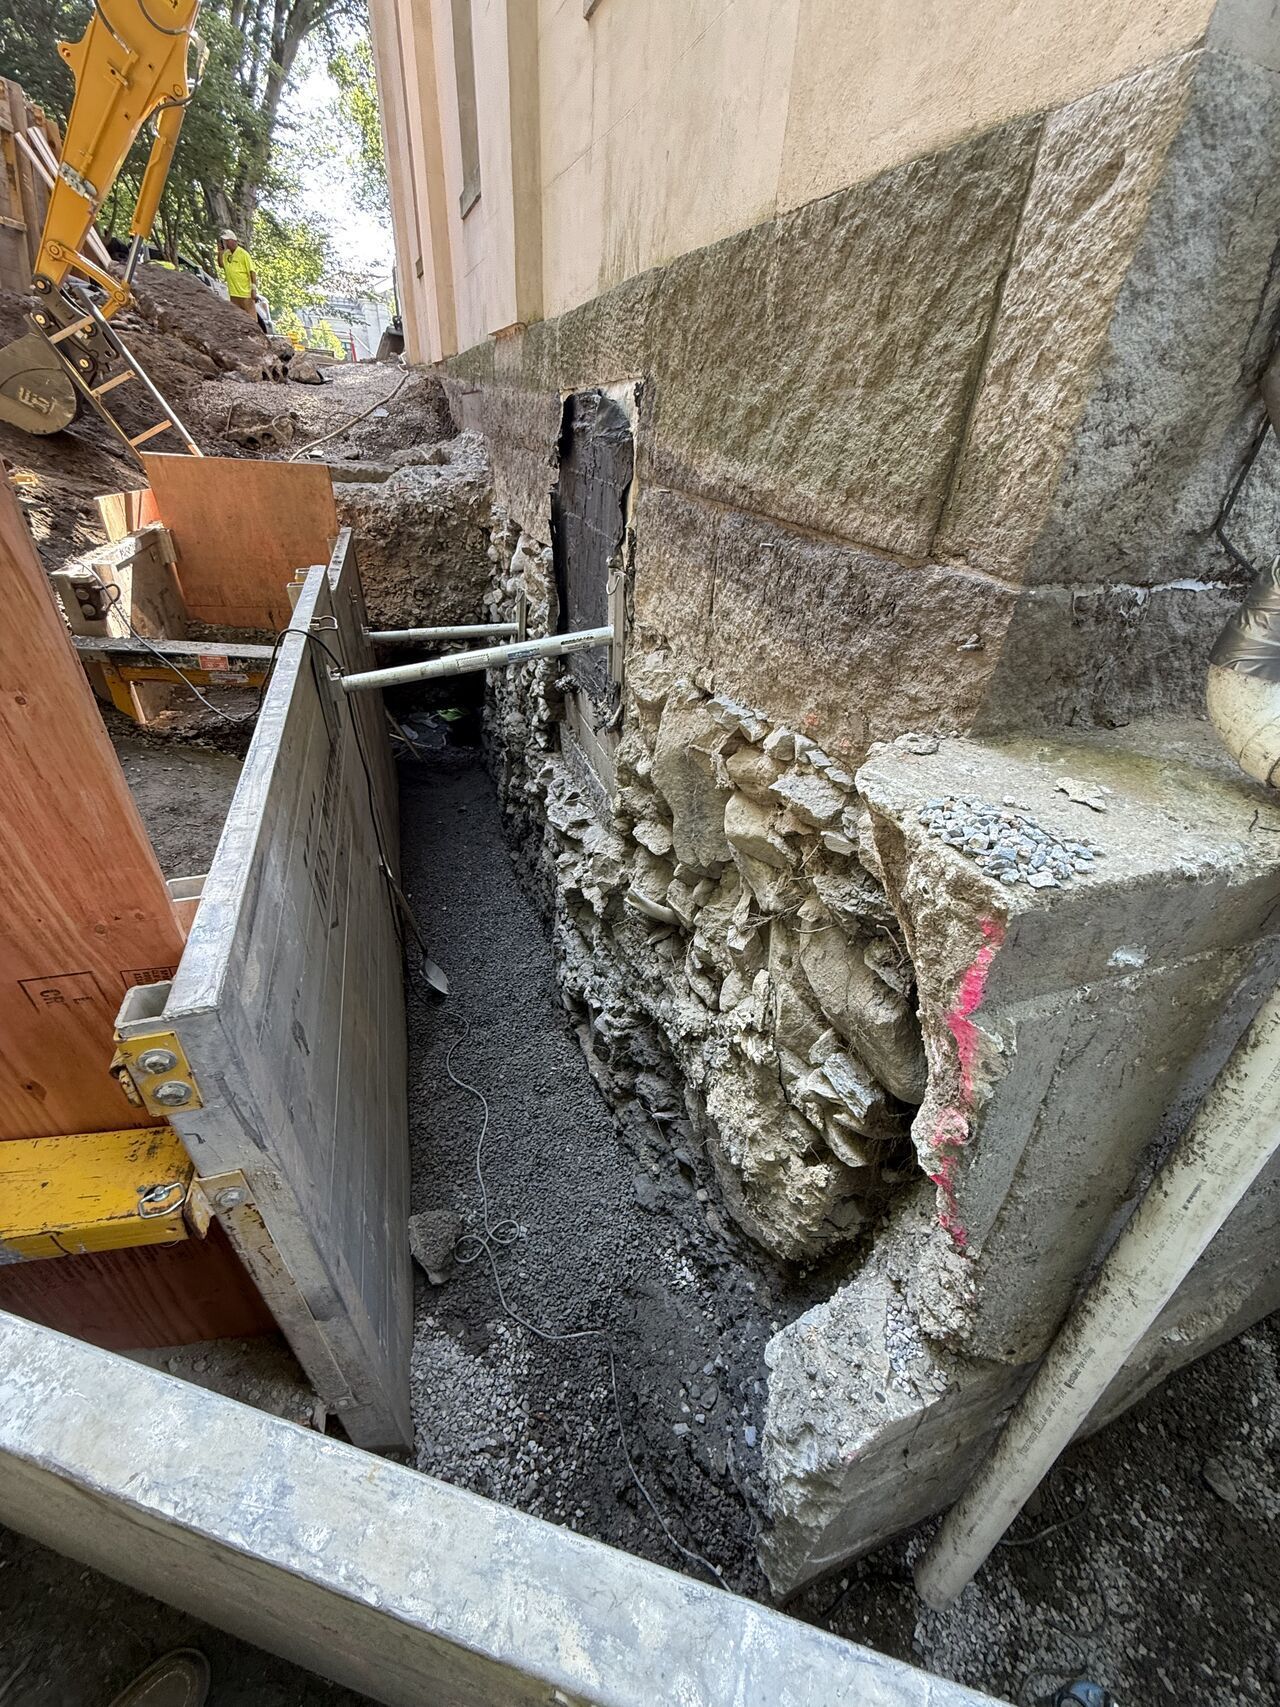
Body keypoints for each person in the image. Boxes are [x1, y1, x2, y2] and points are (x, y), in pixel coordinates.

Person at [215, 228, 257, 316]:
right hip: (233, 293)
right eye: (224, 241)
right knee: (237, 317)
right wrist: (220, 253)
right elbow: (221, 265)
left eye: (227, 241)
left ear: (233, 241)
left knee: (251, 317)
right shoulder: (226, 254)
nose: (225, 243)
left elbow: (252, 272)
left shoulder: (243, 254)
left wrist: (253, 289)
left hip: (245, 293)